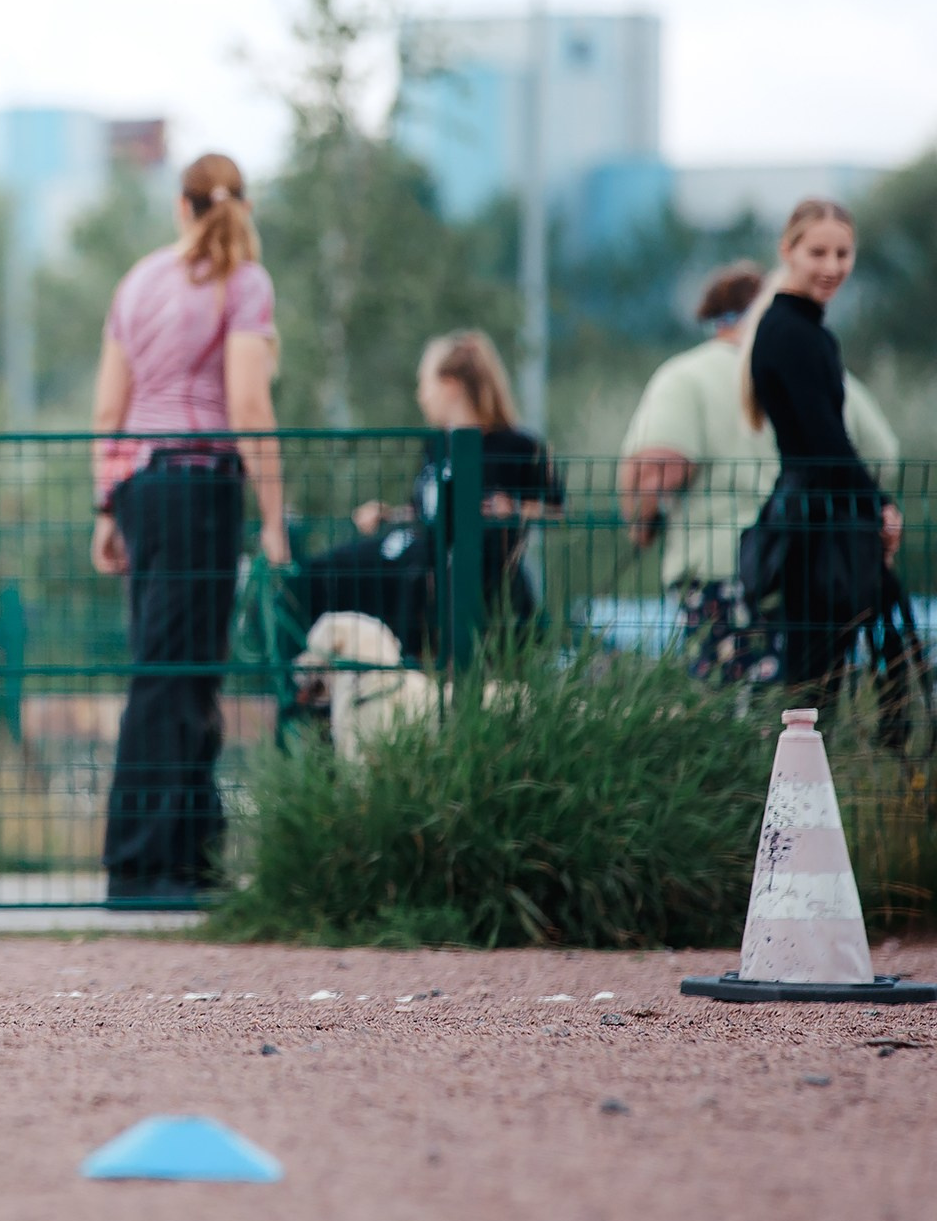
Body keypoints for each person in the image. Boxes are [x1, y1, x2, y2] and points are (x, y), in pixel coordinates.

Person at [90, 153, 287, 903]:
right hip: (200, 484)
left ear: (181, 206)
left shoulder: (139, 280)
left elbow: (109, 411)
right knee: (183, 672)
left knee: (171, 666)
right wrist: (273, 515)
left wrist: (106, 507)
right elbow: (250, 405)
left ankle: (187, 856)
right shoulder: (246, 282)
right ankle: (146, 864)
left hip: (142, 487)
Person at [620, 261, 896, 685]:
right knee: (805, 702)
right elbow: (883, 455)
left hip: (718, 569)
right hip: (811, 563)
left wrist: (642, 524)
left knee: (728, 708)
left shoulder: (684, 377)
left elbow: (662, 469)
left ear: (713, 316)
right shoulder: (822, 370)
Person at [739, 199, 903, 694]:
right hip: (817, 525)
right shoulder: (793, 334)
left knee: (820, 680)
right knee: (815, 684)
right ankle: (800, 773)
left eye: (843, 254)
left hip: (817, 514)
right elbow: (826, 442)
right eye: (818, 252)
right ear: (787, 250)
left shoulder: (801, 330)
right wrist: (880, 506)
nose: (833, 267)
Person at [333, 331, 563, 648]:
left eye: (424, 384)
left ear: (451, 384)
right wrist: (388, 514)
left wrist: (513, 509)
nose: (420, 395)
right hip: (425, 593)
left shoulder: (519, 445)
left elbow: (556, 510)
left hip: (492, 596)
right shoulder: (436, 445)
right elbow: (429, 513)